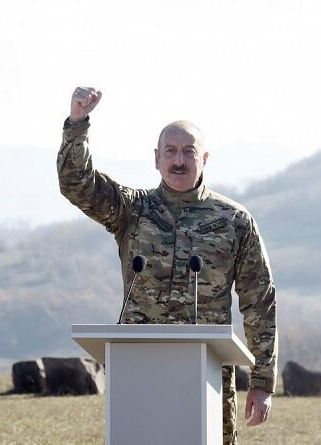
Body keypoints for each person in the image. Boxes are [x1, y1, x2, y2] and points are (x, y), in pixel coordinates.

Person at [57, 86, 277, 444]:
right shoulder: (132, 209)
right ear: (155, 158)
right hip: (139, 368)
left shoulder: (235, 221)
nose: (178, 160)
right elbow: (77, 184)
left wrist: (262, 381)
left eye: (188, 152)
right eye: (170, 152)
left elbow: (260, 301)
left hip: (206, 373)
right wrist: (78, 122)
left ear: (204, 158)